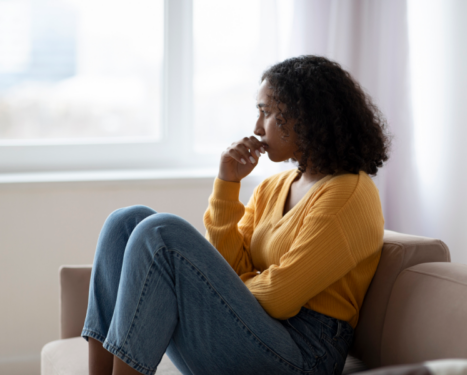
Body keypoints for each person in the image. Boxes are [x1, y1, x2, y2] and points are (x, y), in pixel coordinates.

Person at [81, 55, 391, 375]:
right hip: (258, 330)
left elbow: (280, 299)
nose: (257, 127)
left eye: (266, 113)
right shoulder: (274, 186)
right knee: (126, 222)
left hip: (305, 353)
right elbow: (232, 264)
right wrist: (228, 185)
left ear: (306, 116)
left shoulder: (349, 195)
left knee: (161, 233)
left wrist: (224, 287)